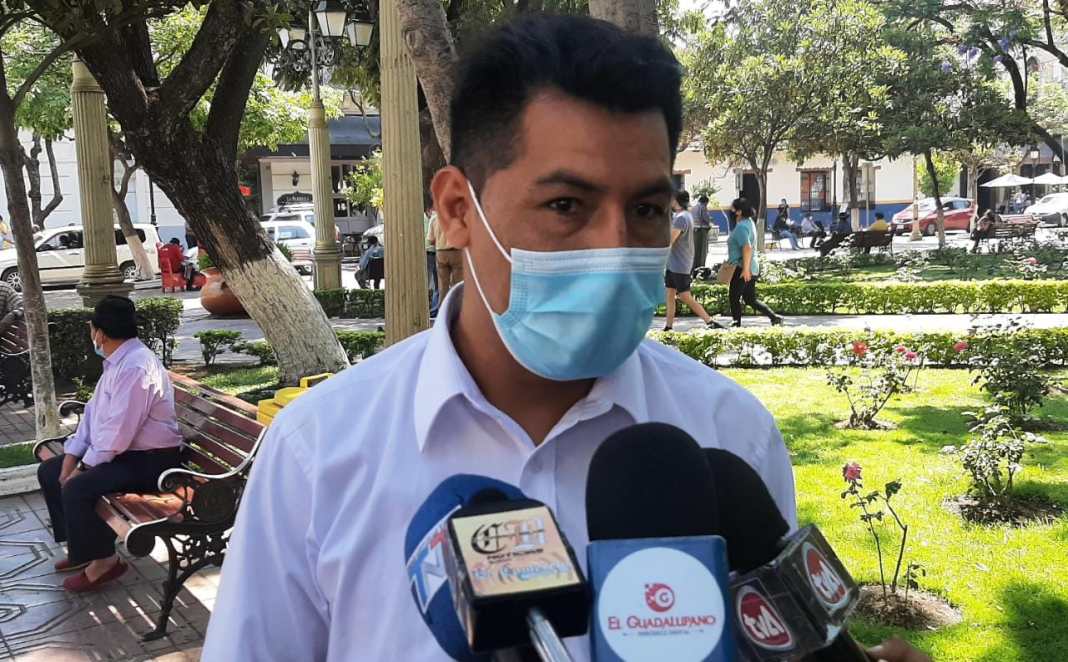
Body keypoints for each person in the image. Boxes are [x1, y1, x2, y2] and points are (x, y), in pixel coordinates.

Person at [204, 17, 925, 662]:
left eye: (646, 209)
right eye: (565, 205)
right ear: (457, 210)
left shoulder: (730, 434)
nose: (615, 246)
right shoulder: (320, 454)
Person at [35, 296, 182, 592]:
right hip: (127, 454)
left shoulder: (136, 367)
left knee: (78, 487)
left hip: (152, 462)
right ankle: (82, 551)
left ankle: (105, 562)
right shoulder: (118, 362)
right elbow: (93, 415)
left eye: (92, 328)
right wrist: (71, 457)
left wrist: (82, 468)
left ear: (100, 333)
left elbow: (118, 433)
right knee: (50, 472)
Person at [665, 190, 724, 331]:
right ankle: (668, 326)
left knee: (685, 296)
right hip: (675, 263)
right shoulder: (685, 215)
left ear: (676, 201)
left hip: (679, 264)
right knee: (670, 294)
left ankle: (710, 321)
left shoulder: (681, 218)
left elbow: (670, 240)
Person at [727, 197, 783, 327]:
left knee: (734, 297)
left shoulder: (741, 227)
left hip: (742, 267)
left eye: (733, 209)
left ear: (739, 211)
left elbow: (747, 247)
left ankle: (736, 325)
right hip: (751, 266)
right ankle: (774, 317)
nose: (731, 211)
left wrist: (745, 269)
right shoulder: (749, 222)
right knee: (750, 299)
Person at [427, 205, 464, 301]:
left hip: (441, 253)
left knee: (442, 287)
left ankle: (442, 307)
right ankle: (456, 307)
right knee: (457, 286)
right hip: (456, 252)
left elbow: (430, 240)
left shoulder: (434, 219)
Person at [424, 203, 439, 314]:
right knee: (433, 283)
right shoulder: (433, 219)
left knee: (435, 283)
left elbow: (429, 239)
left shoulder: (432, 219)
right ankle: (433, 309)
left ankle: (433, 309)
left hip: (433, 253)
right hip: (431, 253)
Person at [690, 193, 712, 271]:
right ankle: (701, 267)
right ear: (705, 202)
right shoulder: (703, 207)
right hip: (702, 230)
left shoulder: (693, 208)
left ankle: (694, 266)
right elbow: (706, 218)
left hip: (694, 230)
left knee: (695, 249)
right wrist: (710, 221)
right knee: (702, 250)